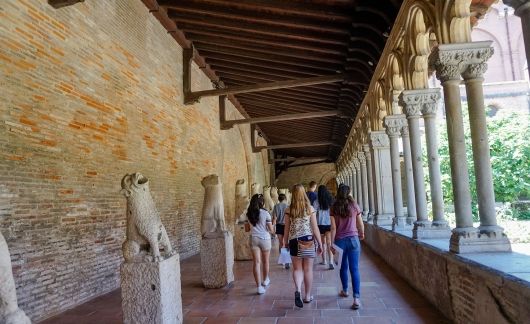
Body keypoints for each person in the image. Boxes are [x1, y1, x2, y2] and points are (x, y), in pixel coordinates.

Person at [283, 184, 323, 308]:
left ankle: (298, 291)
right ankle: (307, 296)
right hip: (308, 240)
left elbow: (287, 229)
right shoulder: (309, 208)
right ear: (303, 193)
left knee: (297, 269)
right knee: (308, 269)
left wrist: (285, 242)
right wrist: (320, 243)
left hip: (294, 240)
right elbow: (315, 227)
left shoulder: (289, 209)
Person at [330, 185, 364, 310]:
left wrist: (331, 243)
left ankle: (345, 290)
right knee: (354, 269)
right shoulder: (354, 206)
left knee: (343, 267)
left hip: (340, 241)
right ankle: (356, 298)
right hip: (354, 240)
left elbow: (333, 228)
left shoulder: (333, 207)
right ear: (349, 193)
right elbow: (360, 223)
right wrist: (362, 233)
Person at [246, 194, 274, 295]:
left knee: (256, 263)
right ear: (262, 202)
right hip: (265, 239)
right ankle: (265, 280)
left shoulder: (248, 214)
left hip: (254, 238)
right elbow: (271, 230)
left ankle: (258, 287)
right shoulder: (265, 213)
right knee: (265, 261)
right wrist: (272, 225)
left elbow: (247, 229)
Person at [314, 185, 334, 269]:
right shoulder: (330, 201)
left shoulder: (316, 201)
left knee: (322, 243)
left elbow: (314, 214)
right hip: (329, 224)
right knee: (329, 243)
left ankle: (324, 260)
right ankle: (331, 262)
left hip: (320, 224)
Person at [272, 193, 289, 269]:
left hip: (279, 225)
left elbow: (274, 218)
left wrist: (273, 227)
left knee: (281, 243)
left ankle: (283, 260)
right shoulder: (287, 206)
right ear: (285, 199)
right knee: (286, 243)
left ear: (278, 199)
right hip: (286, 225)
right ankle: (287, 260)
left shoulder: (276, 206)